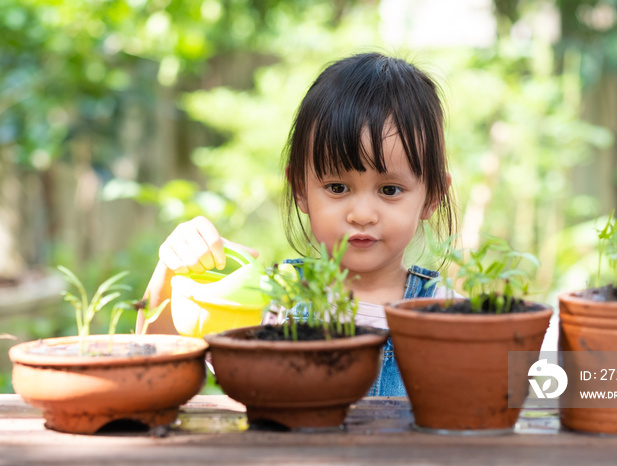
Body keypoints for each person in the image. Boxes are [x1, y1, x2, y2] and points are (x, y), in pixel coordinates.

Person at [138, 52, 458, 396]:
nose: (362, 214)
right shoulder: (274, 300)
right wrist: (171, 270)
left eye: (390, 190)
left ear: (431, 196)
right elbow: (152, 371)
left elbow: (513, 394)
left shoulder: (449, 313)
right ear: (300, 190)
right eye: (337, 188)